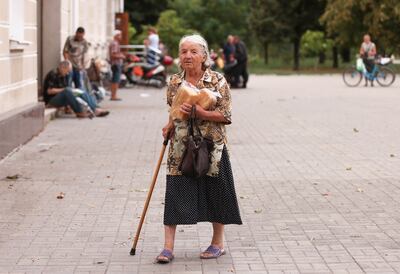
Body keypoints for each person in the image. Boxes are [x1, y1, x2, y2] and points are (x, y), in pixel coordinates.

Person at [157, 34, 242, 263]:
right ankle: (167, 248)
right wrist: (169, 125)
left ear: (204, 56)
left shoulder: (217, 80)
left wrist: (202, 113)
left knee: (216, 191)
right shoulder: (175, 82)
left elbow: (226, 116)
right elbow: (174, 110)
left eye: (193, 51)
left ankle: (217, 243)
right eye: (184, 51)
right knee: (175, 190)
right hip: (181, 146)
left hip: (211, 145)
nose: (188, 56)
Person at [44, 61, 110, 118]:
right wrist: (64, 89)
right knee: (67, 90)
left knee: (80, 91)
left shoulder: (64, 75)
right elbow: (49, 91)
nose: (67, 73)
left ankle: (95, 108)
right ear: (62, 67)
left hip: (62, 97)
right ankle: (79, 112)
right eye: (67, 71)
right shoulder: (53, 74)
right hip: (51, 100)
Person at [109, 30, 125, 100]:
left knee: (115, 79)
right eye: (120, 35)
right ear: (116, 35)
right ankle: (113, 96)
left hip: (115, 64)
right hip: (116, 63)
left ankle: (113, 95)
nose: (121, 37)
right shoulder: (115, 43)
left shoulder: (114, 43)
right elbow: (113, 55)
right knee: (116, 80)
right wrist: (121, 56)